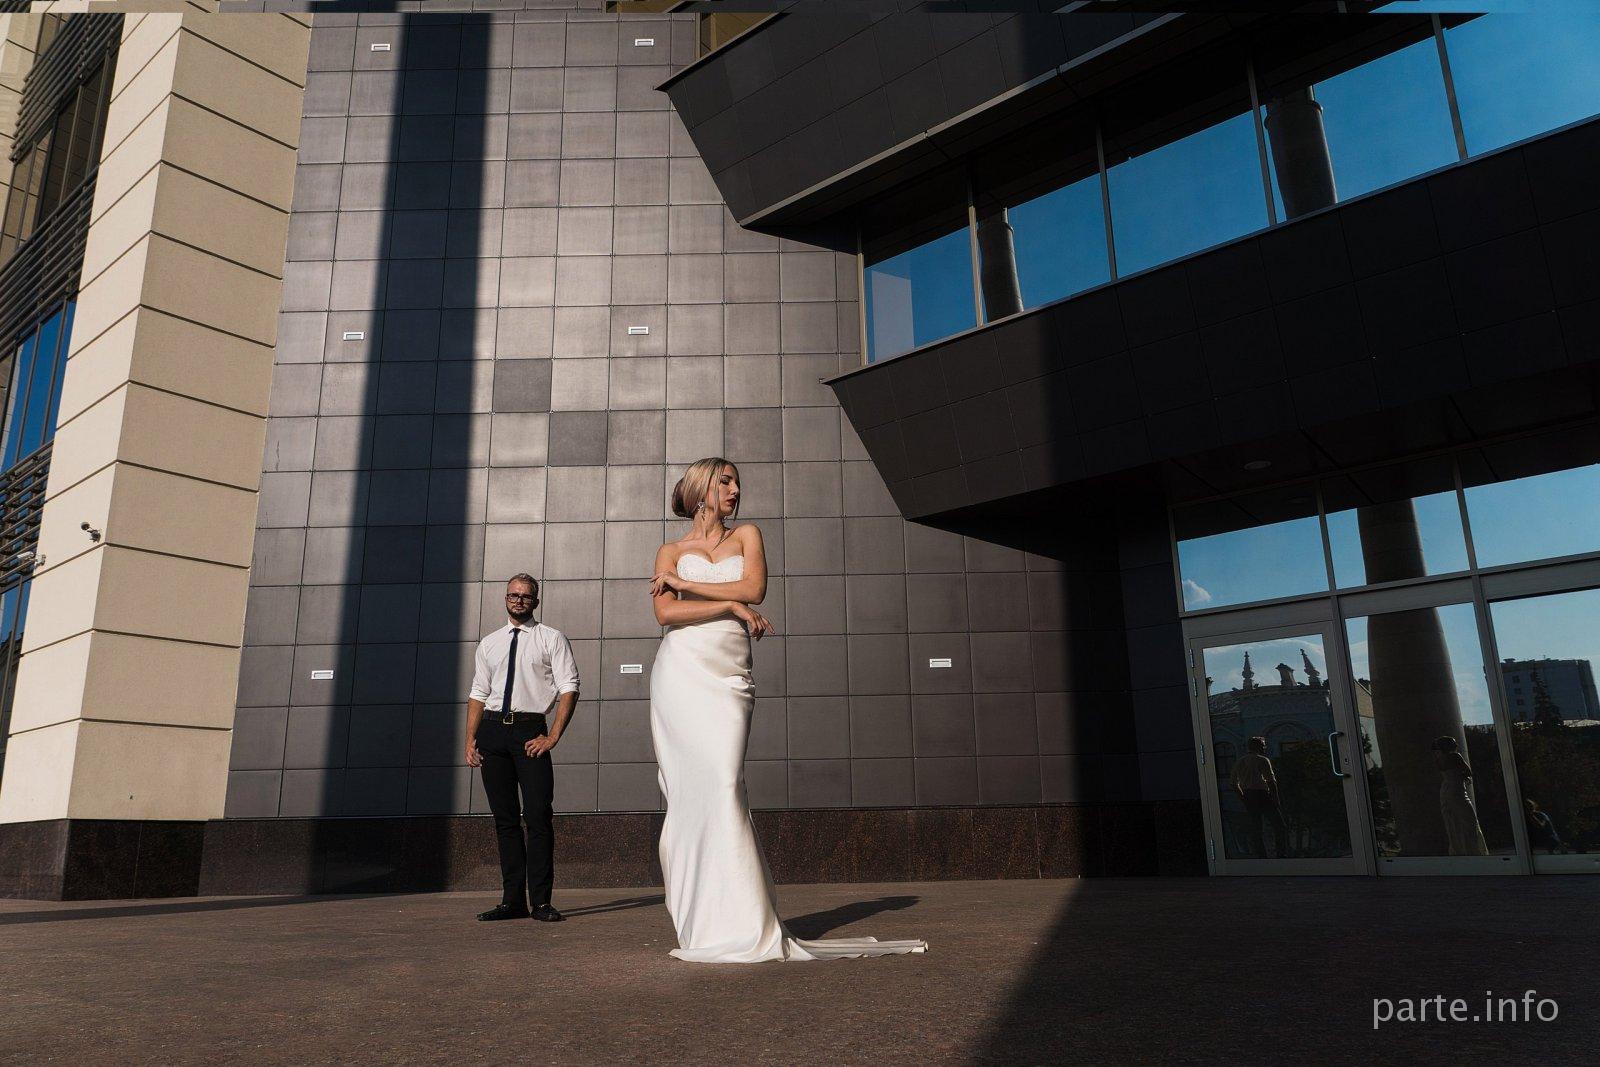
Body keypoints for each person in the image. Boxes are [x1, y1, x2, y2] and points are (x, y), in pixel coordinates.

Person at [647, 457, 927, 963]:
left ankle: (745, 923)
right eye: (725, 481)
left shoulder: (746, 535)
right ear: (701, 487)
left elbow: (753, 590)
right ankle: (702, 925)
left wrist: (698, 589)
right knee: (688, 792)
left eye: (737, 483)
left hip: (727, 676)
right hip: (679, 672)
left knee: (725, 782)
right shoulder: (669, 549)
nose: (735, 490)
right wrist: (728, 606)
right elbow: (666, 613)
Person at [466, 574, 580, 922]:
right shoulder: (490, 643)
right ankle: (512, 901)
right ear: (506, 598)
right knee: (505, 820)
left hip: (530, 733)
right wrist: (470, 739)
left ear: (535, 601)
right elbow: (478, 693)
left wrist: (553, 736)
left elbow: (569, 687)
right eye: (513, 595)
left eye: (525, 596)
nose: (518, 600)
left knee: (537, 817)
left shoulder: (551, 638)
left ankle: (541, 903)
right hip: (492, 734)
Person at [1231, 736, 1288, 859]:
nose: (1264, 747)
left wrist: (1243, 797)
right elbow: (1270, 781)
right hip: (1262, 795)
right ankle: (1281, 854)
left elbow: (1234, 784)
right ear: (1257, 746)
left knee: (1256, 827)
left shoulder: (1239, 762)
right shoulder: (1262, 760)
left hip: (1248, 795)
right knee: (1279, 826)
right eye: (1263, 745)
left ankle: (1261, 856)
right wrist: (1276, 798)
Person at [1430, 736, 1488, 856]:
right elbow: (1468, 771)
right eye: (1454, 743)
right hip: (1457, 790)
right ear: (1449, 746)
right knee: (1469, 821)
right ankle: (1474, 850)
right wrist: (1463, 776)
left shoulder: (1438, 759)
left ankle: (1458, 850)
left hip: (1445, 790)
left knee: (1452, 822)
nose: (1456, 745)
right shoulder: (1456, 756)